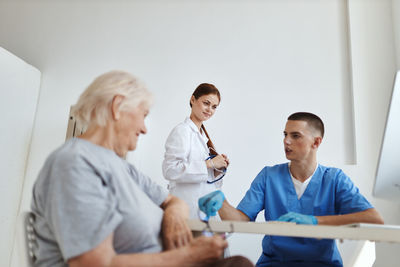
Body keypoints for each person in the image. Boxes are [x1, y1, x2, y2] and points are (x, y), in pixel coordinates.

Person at [30, 71, 253, 267]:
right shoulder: (75, 164)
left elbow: (171, 200)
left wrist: (174, 213)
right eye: (143, 115)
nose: (145, 128)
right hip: (170, 259)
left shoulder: (120, 166)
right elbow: (94, 263)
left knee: (239, 263)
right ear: (117, 107)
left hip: (170, 251)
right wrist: (187, 257)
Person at [199, 112, 384, 267]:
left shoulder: (334, 179)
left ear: (316, 142)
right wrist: (221, 202)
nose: (286, 141)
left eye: (295, 136)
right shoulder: (269, 176)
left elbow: (374, 219)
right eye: (285, 134)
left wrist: (314, 221)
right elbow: (239, 220)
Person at [162, 83, 230, 219]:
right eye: (206, 103)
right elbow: (170, 170)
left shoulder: (203, 138)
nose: (209, 110)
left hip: (204, 211)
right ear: (193, 100)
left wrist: (216, 169)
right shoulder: (182, 131)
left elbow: (205, 180)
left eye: (214, 107)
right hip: (187, 211)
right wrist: (209, 164)